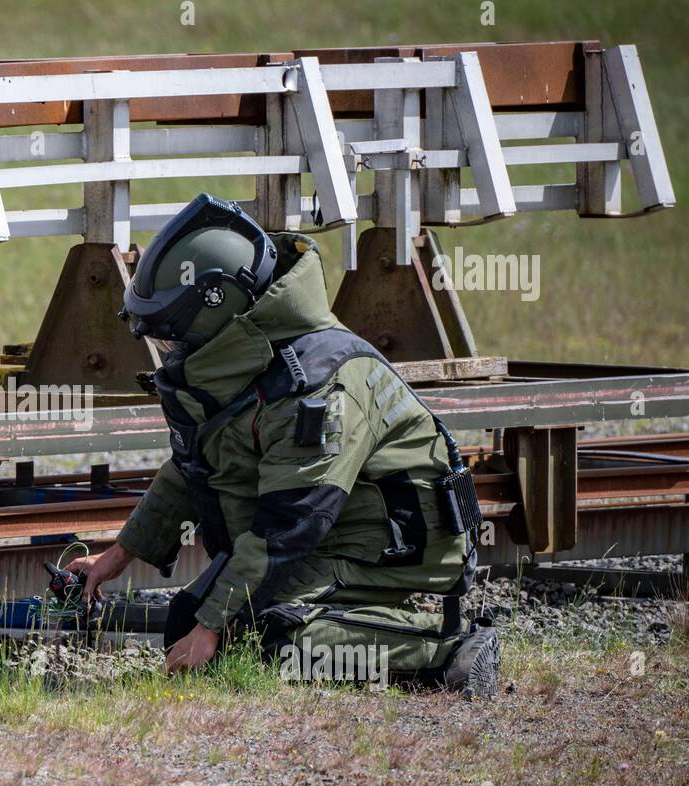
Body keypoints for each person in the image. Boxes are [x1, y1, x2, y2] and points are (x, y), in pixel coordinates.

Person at [69, 194, 499, 697]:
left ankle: (448, 648)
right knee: (191, 620)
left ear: (219, 313)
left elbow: (288, 526)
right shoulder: (257, 359)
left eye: (174, 337)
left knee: (263, 638)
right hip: (334, 535)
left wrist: (211, 630)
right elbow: (197, 465)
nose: (172, 352)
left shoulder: (317, 385)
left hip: (393, 553)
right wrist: (114, 559)